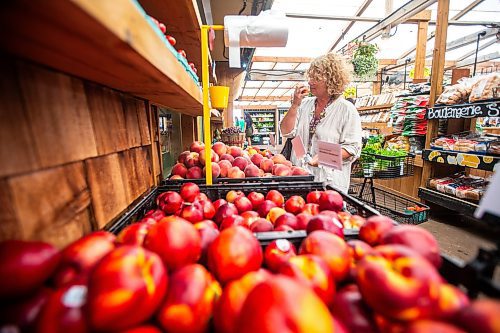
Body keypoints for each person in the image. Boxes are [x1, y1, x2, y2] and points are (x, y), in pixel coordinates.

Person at [280, 53, 362, 192]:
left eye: (316, 78)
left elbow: (352, 148)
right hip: (300, 179)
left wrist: (323, 157)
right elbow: (288, 132)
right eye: (310, 77)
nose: (311, 82)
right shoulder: (304, 104)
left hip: (330, 182)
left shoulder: (346, 110)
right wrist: (295, 105)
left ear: (331, 80)